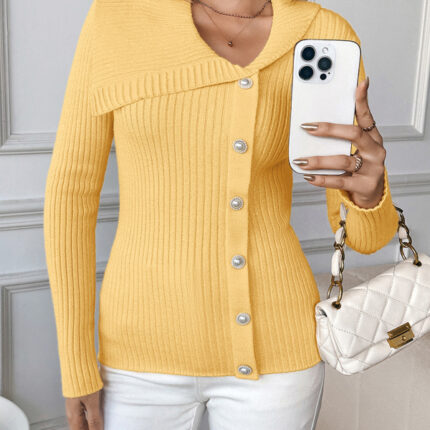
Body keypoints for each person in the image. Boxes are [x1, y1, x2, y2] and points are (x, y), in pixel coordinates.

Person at [43, 0, 399, 429]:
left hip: (277, 357)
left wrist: (370, 192)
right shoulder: (117, 18)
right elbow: (71, 194)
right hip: (135, 360)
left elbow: (366, 239)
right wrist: (76, 364)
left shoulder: (324, 33)